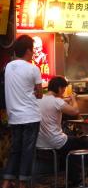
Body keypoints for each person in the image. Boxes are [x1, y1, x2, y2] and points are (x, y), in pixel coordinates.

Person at [2, 35, 43, 188]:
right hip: (30, 117)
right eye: (32, 50)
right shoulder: (33, 68)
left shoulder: (8, 67)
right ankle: (22, 185)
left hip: (14, 117)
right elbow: (40, 94)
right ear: (27, 51)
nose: (33, 53)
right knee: (27, 152)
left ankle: (6, 183)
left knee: (15, 150)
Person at [36, 76, 87, 186]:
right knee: (82, 142)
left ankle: (73, 177)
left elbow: (55, 103)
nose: (63, 92)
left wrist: (65, 100)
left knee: (69, 146)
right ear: (59, 88)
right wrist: (73, 98)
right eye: (63, 89)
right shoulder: (57, 101)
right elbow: (75, 111)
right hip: (56, 142)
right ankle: (77, 178)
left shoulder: (39, 99)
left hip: (40, 143)